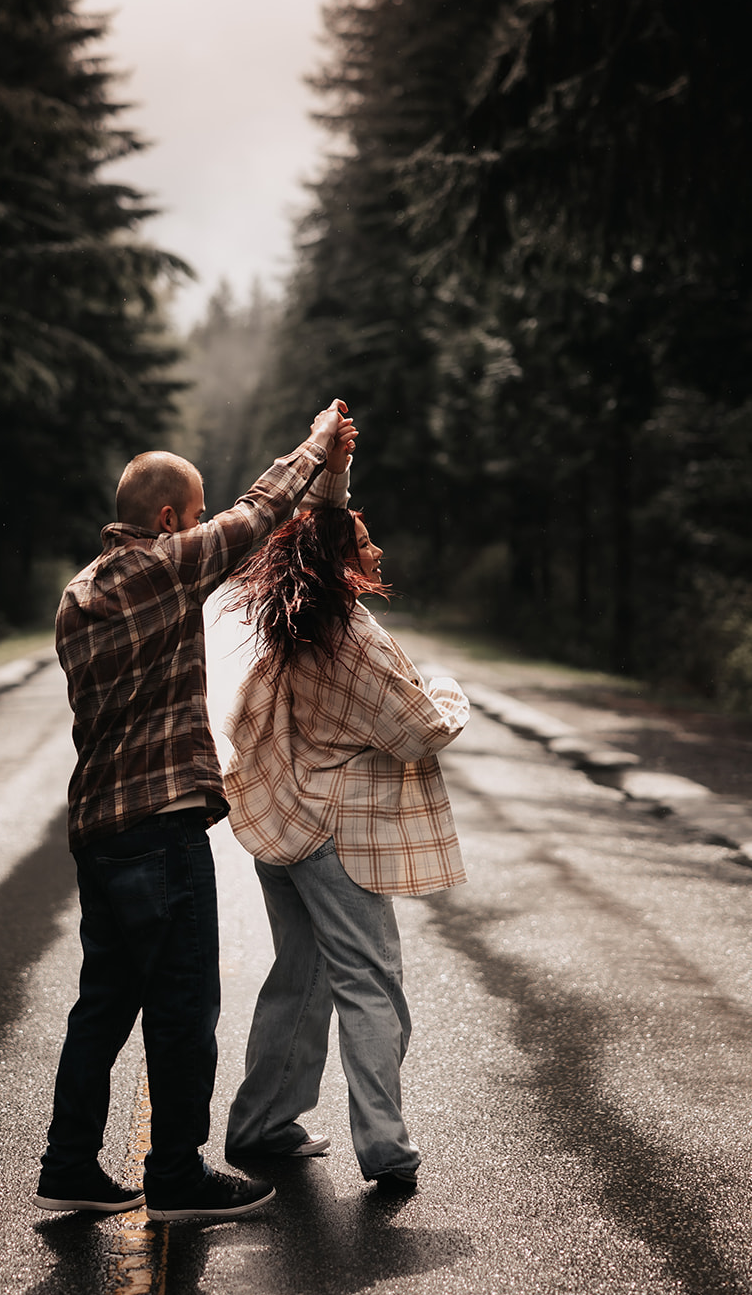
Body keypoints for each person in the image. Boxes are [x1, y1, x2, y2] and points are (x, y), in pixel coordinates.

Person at [35, 399, 357, 1223]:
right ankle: (175, 1175)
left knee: (102, 1004)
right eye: (195, 511)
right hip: (159, 826)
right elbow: (259, 512)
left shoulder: (76, 594)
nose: (204, 522)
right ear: (171, 518)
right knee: (182, 1008)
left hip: (98, 831)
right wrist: (317, 447)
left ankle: (69, 1163)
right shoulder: (164, 567)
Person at [220, 503, 469, 1192]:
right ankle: (385, 1146)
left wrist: (334, 454)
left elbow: (323, 511)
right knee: (370, 983)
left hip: (285, 820)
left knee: (300, 978)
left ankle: (263, 1124)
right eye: (363, 541)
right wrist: (447, 688)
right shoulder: (351, 635)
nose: (378, 549)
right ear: (337, 559)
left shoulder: (300, 620)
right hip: (335, 834)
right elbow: (419, 730)